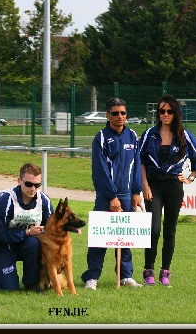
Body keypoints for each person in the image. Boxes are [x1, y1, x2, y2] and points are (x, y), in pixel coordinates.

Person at [139, 94, 196, 287]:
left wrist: (190, 178)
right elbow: (140, 161)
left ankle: (165, 272)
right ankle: (148, 269)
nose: (165, 114)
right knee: (153, 230)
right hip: (153, 186)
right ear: (158, 113)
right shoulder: (149, 134)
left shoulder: (185, 135)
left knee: (170, 231)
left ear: (176, 113)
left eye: (169, 111)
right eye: (162, 111)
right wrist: (144, 185)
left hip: (174, 187)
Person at [81, 97, 144, 290]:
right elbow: (99, 170)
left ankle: (126, 276)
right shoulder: (100, 138)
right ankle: (91, 277)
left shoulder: (132, 136)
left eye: (123, 113)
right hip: (106, 197)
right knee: (100, 239)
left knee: (125, 238)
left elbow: (136, 166)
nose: (120, 116)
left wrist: (136, 191)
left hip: (127, 196)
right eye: (115, 113)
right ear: (107, 115)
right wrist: (111, 196)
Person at [0, 162, 54, 292]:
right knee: (9, 288)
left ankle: (31, 282)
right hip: (2, 246)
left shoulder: (44, 201)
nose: (33, 189)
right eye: (29, 184)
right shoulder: (5, 200)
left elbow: (51, 230)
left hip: (27, 245)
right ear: (19, 181)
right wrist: (26, 232)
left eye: (37, 185)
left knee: (33, 243)